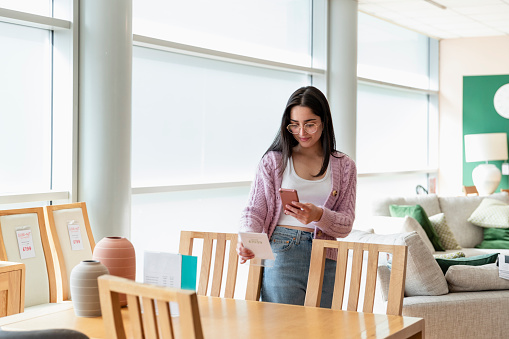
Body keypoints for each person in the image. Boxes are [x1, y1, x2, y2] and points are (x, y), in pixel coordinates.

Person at [237, 85, 357, 308]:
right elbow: (254, 211)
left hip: (326, 256)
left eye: (310, 124)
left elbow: (346, 225)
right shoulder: (273, 161)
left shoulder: (345, 166)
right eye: (295, 125)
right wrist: (248, 238)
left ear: (324, 122)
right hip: (282, 251)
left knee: (322, 329)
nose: (302, 132)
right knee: (282, 328)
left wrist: (319, 215)